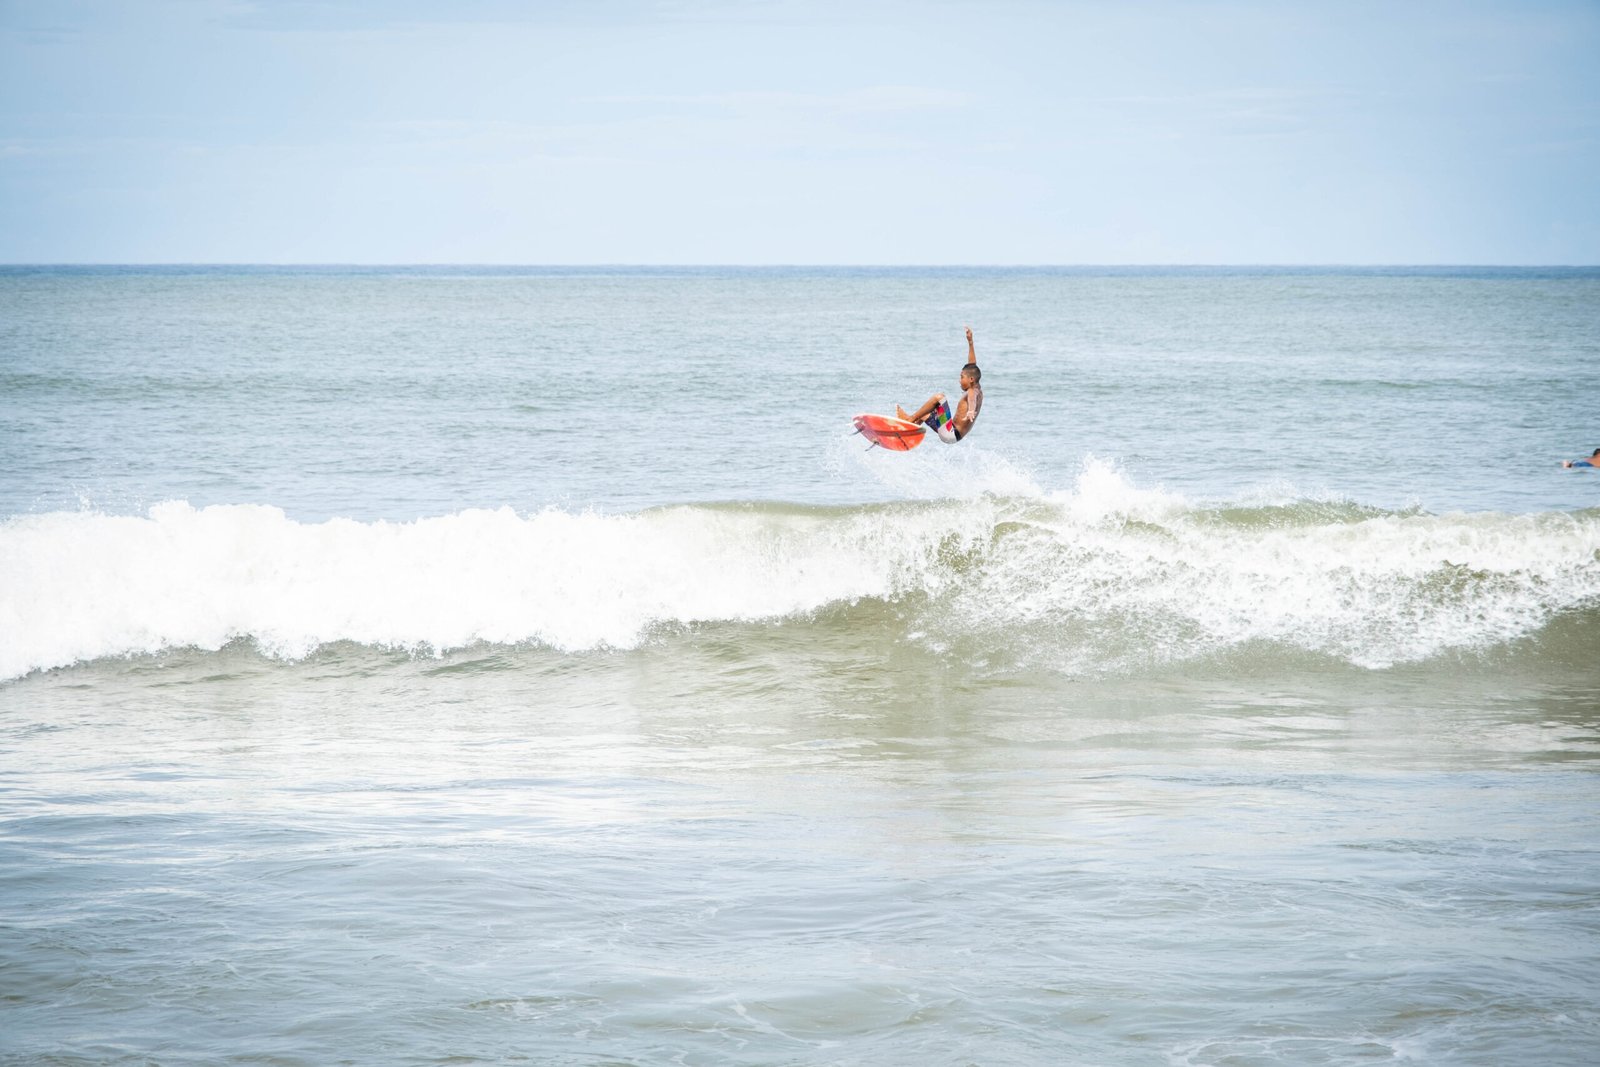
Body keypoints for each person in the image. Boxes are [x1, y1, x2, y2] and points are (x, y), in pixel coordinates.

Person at [897, 326, 984, 444]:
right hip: (952, 432)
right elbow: (972, 366)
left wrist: (971, 411)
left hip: (951, 432)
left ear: (971, 379)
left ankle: (910, 419)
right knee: (926, 412)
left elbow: (972, 399)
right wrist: (970, 343)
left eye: (961, 377)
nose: (959, 380)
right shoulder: (976, 385)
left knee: (939, 398)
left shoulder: (972, 391)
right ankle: (909, 431)